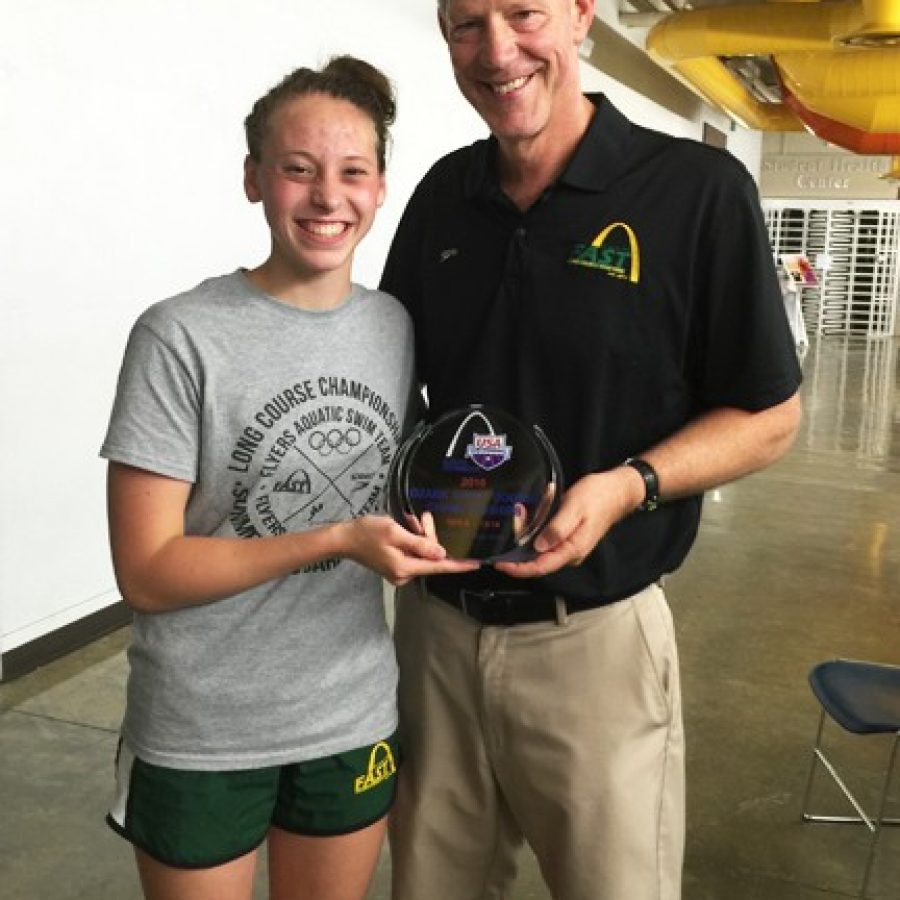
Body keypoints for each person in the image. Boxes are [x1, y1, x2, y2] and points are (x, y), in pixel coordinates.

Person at [379, 2, 804, 899]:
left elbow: (771, 416)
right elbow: (392, 393)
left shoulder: (695, 192)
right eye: (465, 23)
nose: (496, 51)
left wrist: (629, 485)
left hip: (594, 647)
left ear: (580, 16)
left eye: (523, 12)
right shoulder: (440, 198)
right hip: (436, 639)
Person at [100, 56, 475, 900]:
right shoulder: (179, 337)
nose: (326, 198)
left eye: (353, 173)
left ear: (381, 189)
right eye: (297, 170)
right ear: (253, 179)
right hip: (202, 726)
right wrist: (338, 537)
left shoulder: (394, 327)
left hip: (348, 713)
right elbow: (149, 572)